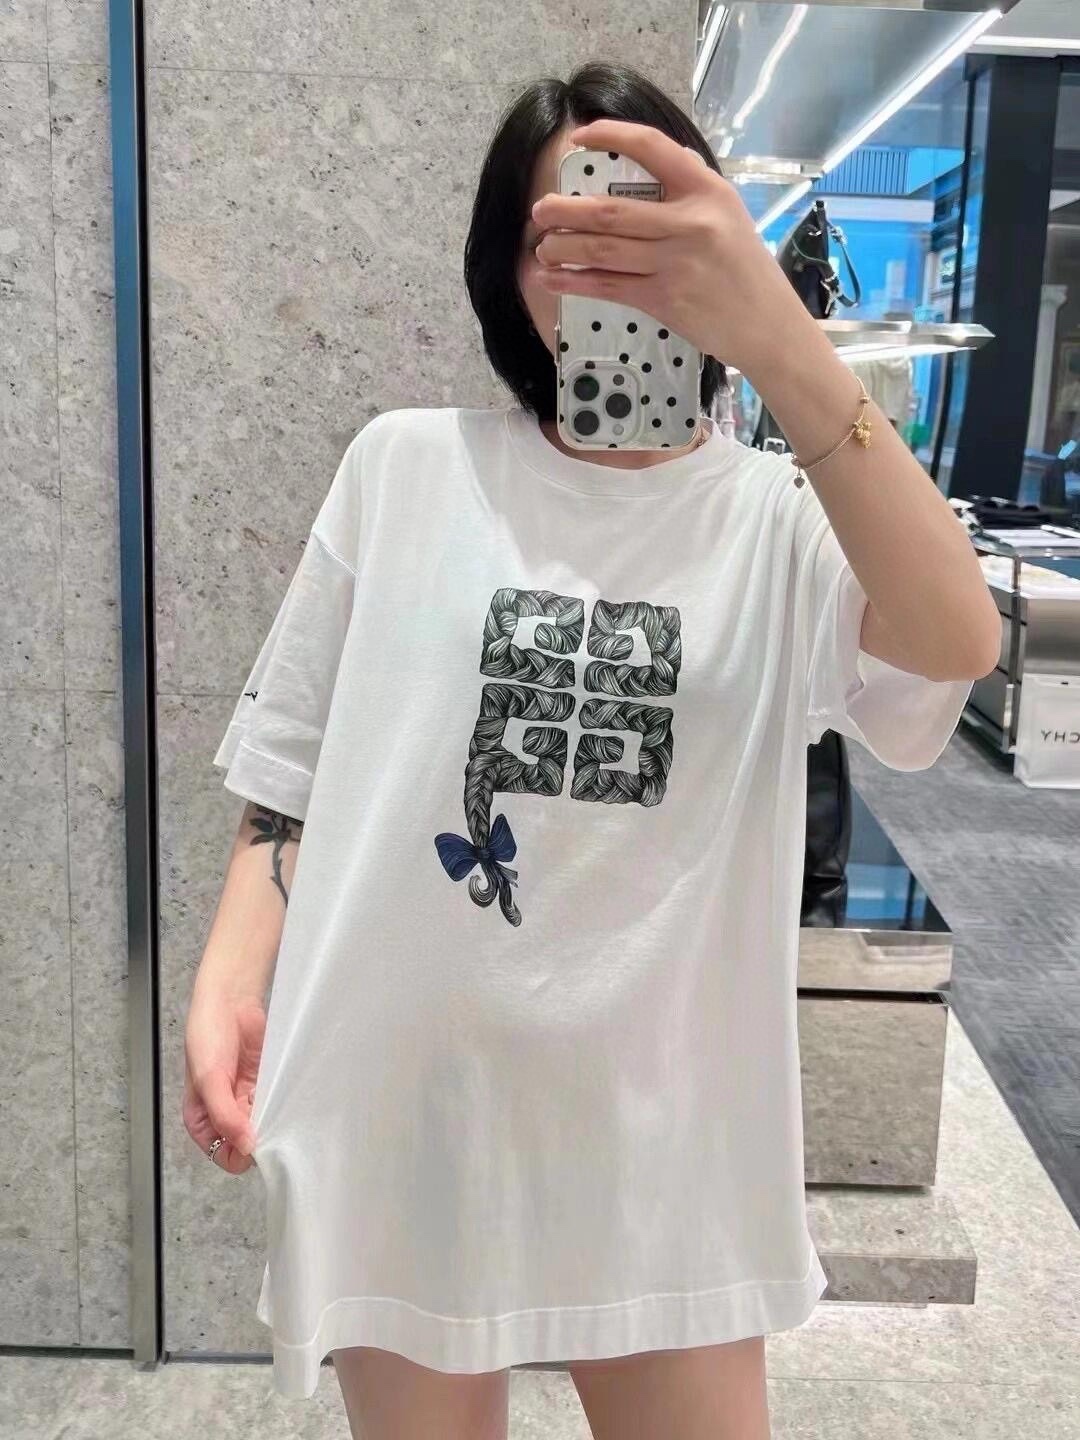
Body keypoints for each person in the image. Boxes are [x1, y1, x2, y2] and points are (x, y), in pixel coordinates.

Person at [183, 61, 1002, 1440]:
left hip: (667, 1144)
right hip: (408, 1111)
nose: (604, 260)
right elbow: (295, 762)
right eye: (560, 232)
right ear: (508, 274)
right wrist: (228, 974)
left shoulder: (782, 525)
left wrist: (779, 338)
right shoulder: (403, 468)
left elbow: (953, 640)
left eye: (647, 220)